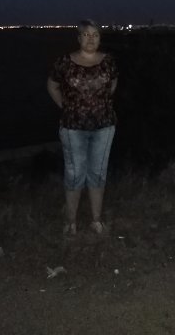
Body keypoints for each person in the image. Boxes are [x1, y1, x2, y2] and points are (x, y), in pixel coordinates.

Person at [47, 19, 118, 235]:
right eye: (86, 34)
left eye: (95, 35)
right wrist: (66, 107)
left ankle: (96, 220)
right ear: (78, 38)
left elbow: (112, 86)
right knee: (75, 173)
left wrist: (98, 106)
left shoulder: (109, 61)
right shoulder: (64, 62)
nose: (90, 39)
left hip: (104, 126)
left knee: (97, 173)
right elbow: (52, 86)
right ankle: (71, 222)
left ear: (100, 38)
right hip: (73, 127)